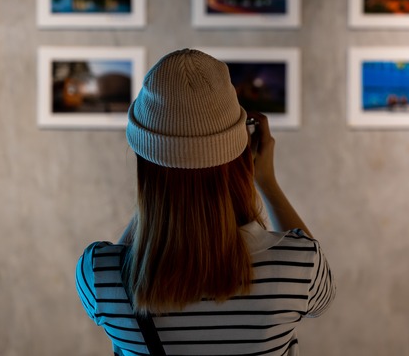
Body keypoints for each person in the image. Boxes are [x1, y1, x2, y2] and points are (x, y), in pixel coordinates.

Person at [76, 49, 335, 356]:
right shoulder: (298, 266)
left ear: (144, 163)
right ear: (241, 156)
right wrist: (267, 183)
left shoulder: (100, 274)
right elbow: (323, 299)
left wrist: (165, 186)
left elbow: (128, 258)